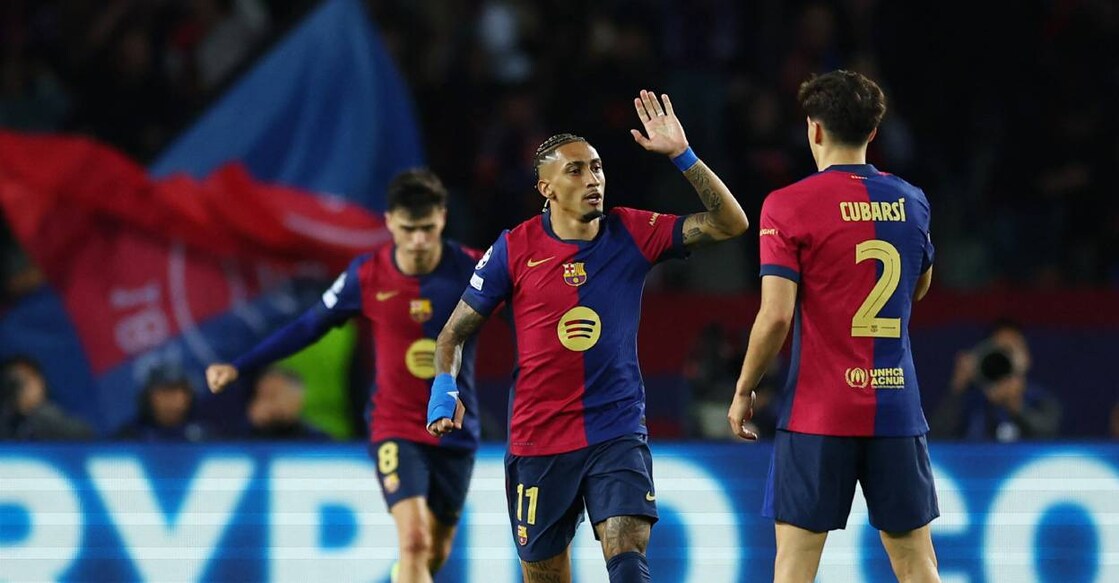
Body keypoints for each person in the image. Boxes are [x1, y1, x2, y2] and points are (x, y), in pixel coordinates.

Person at [427, 90, 749, 583]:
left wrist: (682, 156)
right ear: (546, 189)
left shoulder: (633, 231)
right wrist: (444, 391)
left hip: (615, 429)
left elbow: (732, 223)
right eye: (575, 171)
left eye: (597, 167)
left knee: (627, 559)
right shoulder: (513, 249)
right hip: (538, 439)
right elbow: (452, 335)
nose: (593, 179)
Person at [206, 169, 483, 583]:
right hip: (396, 425)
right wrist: (240, 364)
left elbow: (533, 307)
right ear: (389, 222)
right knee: (414, 541)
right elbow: (308, 326)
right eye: (409, 229)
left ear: (442, 217)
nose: (420, 241)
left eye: (428, 228)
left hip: (457, 428)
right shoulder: (366, 275)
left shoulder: (476, 268)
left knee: (435, 553)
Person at [727, 70, 940, 582]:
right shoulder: (912, 201)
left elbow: (776, 314)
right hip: (896, 407)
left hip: (818, 411)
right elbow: (919, 287)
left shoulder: (787, 204)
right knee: (916, 564)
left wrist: (744, 388)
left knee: (796, 567)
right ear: (872, 132)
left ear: (813, 130)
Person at [930, 319, 1061, 441]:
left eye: (1010, 351)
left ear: (1026, 358)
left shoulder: (1040, 400)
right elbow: (936, 438)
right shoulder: (972, 401)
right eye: (999, 350)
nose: (1005, 358)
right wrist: (957, 387)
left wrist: (1016, 407)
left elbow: (1051, 438)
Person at [0, 355, 93, 440]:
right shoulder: (5, 418)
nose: (23, 387)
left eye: (28, 380)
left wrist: (34, 410)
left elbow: (85, 435)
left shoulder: (49, 417)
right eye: (16, 382)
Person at [116, 365, 214, 442]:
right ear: (147, 398)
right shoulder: (129, 438)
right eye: (164, 392)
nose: (170, 401)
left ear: (189, 397)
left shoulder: (205, 438)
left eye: (176, 392)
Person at [246, 366, 330, 440]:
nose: (266, 404)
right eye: (261, 396)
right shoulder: (244, 439)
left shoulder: (318, 442)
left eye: (272, 396)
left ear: (296, 399)